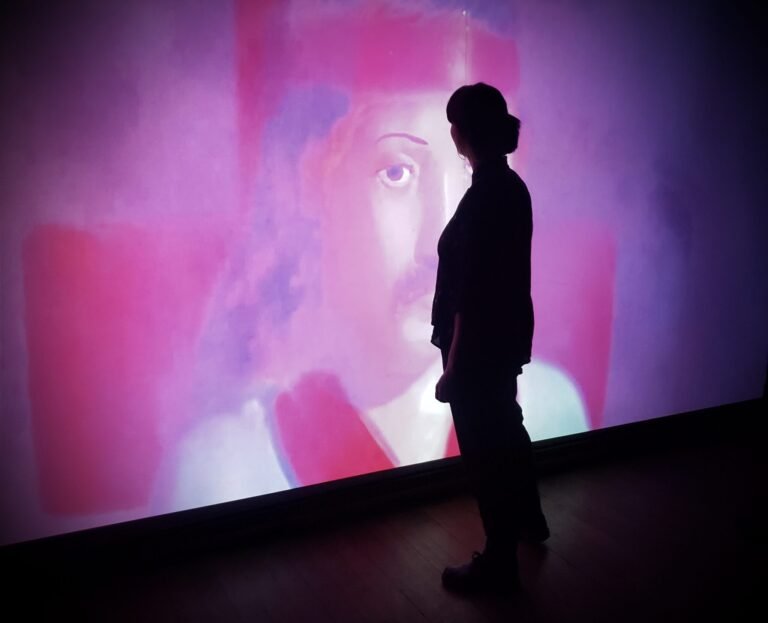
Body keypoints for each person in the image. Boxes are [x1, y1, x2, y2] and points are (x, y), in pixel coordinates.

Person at [433, 83, 548, 593]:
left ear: (464, 133)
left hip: (478, 346)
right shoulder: (508, 186)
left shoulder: (485, 196)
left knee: (485, 449)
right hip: (503, 336)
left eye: (454, 124)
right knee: (506, 428)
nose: (452, 133)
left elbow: (470, 293)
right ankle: (529, 521)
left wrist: (454, 367)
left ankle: (499, 560)